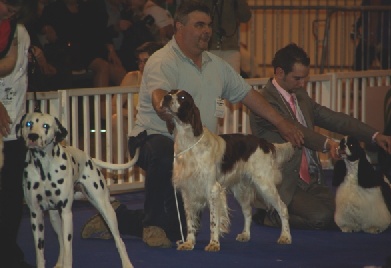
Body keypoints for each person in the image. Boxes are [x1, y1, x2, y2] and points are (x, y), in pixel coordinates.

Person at [81, 0, 303, 248]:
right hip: (151, 139)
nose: (207, 30)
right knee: (166, 153)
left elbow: (249, 95)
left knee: (180, 228)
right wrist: (163, 109)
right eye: (199, 25)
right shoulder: (161, 60)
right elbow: (159, 94)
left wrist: (282, 122)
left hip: (197, 148)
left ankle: (115, 215)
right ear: (179, 27)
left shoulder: (217, 65)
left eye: (208, 25)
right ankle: (151, 225)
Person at [250, 43, 391, 230]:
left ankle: (281, 212)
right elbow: (297, 131)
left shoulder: (300, 94)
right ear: (279, 73)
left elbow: (334, 119)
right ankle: (269, 216)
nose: (302, 83)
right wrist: (329, 144)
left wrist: (374, 135)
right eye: (297, 78)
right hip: (283, 183)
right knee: (323, 218)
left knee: (340, 216)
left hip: (310, 180)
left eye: (304, 78)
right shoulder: (263, 102)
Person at [0, 0, 36, 267]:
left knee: (12, 192)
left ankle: (8, 251)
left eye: (13, 10)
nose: (7, 13)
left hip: (13, 126)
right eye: (5, 6)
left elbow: (14, 69)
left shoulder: (19, 32)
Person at [40, 0, 126, 88]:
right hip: (68, 53)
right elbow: (40, 24)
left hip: (92, 49)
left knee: (119, 71)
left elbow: (100, 32)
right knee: (102, 67)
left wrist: (111, 51)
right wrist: (47, 28)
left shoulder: (87, 7)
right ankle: (101, 101)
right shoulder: (53, 9)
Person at [111, 41, 163, 164]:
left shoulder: (166, 77)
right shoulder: (132, 77)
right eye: (139, 61)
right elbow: (112, 106)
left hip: (159, 124)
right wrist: (131, 113)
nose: (141, 65)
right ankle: (119, 167)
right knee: (115, 119)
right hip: (137, 122)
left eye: (146, 61)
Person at [205, 0, 251, 74]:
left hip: (231, 48)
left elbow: (245, 16)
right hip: (209, 47)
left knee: (233, 83)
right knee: (210, 82)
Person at [353, 0, 391, 70]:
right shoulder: (367, 2)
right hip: (369, 39)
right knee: (358, 66)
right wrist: (358, 25)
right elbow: (364, 15)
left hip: (386, 41)